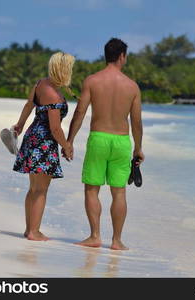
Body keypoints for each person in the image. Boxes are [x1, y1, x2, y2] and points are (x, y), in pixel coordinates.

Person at [66, 38, 144, 250]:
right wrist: (138, 148)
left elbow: (80, 113)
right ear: (122, 56)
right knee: (119, 192)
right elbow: (136, 122)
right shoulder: (132, 86)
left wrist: (69, 140)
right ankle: (117, 241)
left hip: (98, 138)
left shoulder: (92, 81)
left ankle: (95, 236)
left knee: (92, 189)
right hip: (121, 141)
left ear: (106, 55)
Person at [12, 52, 74, 241]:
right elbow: (55, 128)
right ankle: (34, 231)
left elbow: (29, 105)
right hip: (44, 143)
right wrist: (67, 146)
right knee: (41, 190)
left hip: (32, 136)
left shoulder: (41, 84)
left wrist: (20, 125)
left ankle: (29, 229)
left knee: (33, 188)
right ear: (64, 69)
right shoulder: (54, 95)